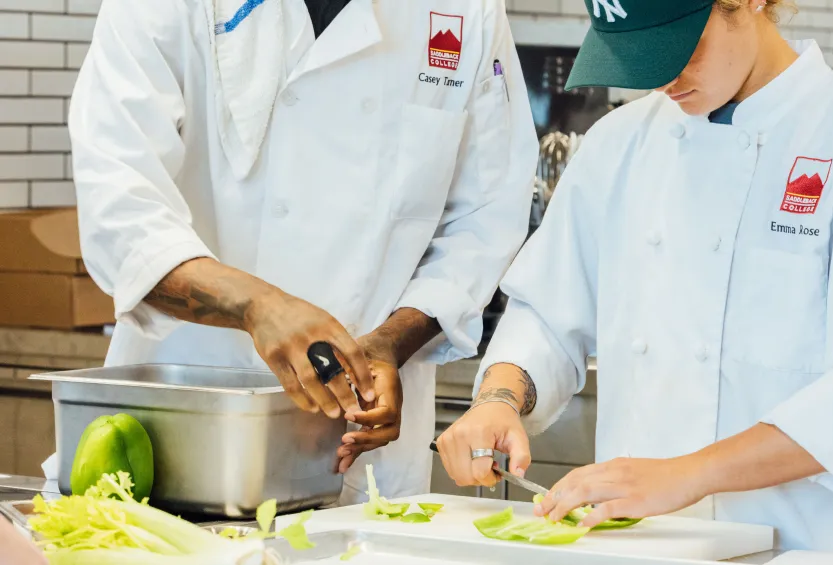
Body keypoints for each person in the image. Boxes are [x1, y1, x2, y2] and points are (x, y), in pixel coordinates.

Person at [437, 0, 833, 552]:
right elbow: (547, 312)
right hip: (639, 545)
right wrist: (499, 398)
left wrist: (687, 473)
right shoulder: (619, 144)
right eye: (639, 58)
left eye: (678, 49)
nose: (662, 80)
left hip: (803, 546)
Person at [68, 0, 537, 504]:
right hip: (179, 428)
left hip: (360, 452)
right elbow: (118, 206)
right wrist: (256, 305)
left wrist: (389, 344)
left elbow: (484, 221)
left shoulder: (467, 10)